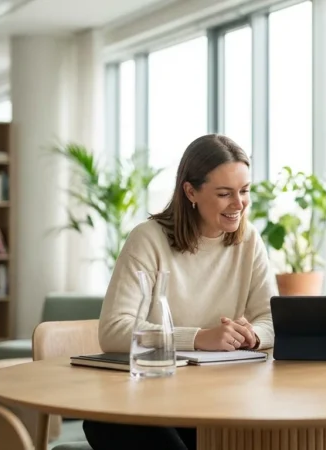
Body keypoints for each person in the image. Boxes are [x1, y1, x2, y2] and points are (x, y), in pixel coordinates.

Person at [83, 134, 277, 450]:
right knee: (110, 422)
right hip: (152, 401)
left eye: (244, 192)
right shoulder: (148, 239)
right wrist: (199, 337)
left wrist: (253, 335)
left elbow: (271, 318)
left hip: (224, 399)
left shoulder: (249, 241)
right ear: (190, 191)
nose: (238, 204)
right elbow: (113, 330)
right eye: (225, 193)